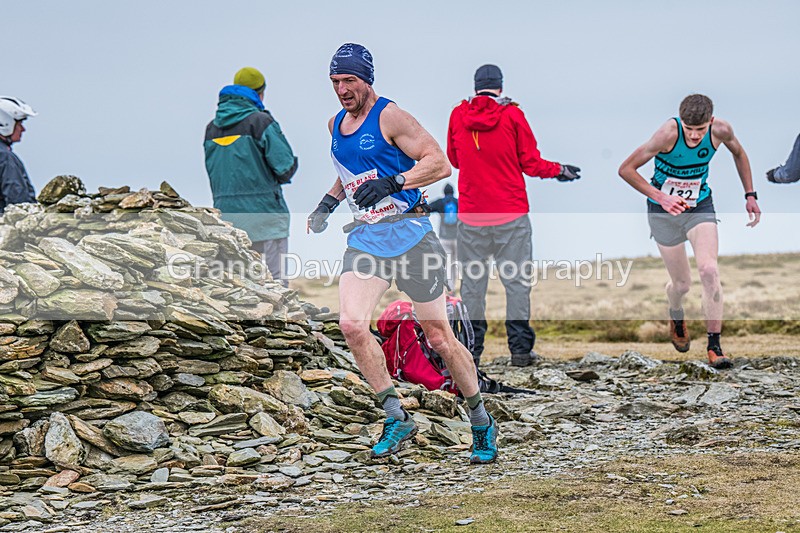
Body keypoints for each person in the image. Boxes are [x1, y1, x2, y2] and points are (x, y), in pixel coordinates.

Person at [307, 43, 498, 464]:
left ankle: (481, 421)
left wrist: (395, 183)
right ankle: (396, 417)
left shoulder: (391, 116)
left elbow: (439, 163)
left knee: (439, 339)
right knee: (352, 326)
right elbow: (350, 169)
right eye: (335, 82)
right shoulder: (336, 123)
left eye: (349, 81)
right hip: (367, 241)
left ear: (367, 80)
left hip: (412, 238)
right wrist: (327, 203)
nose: (342, 90)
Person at [446, 64, 581, 368]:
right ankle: (520, 351)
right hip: (510, 215)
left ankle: (471, 351)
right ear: (500, 86)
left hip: (472, 216)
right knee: (517, 283)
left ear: (476, 85)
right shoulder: (512, 115)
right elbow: (531, 163)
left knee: (472, 285)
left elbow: (454, 159)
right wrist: (558, 170)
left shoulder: (458, 115)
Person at [618, 94, 761, 369]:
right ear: (680, 122)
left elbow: (739, 153)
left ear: (711, 121)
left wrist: (750, 194)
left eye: (700, 130)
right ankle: (675, 312)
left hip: (699, 206)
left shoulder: (722, 130)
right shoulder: (666, 134)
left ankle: (714, 346)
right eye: (689, 130)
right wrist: (662, 197)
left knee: (709, 270)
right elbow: (626, 169)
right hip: (664, 213)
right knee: (682, 285)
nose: (695, 137)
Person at [204, 67, 298, 286]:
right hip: (265, 217)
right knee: (275, 286)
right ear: (260, 93)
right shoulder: (260, 122)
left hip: (227, 220)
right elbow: (285, 167)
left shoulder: (211, 129)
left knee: (240, 288)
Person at [0, 96, 37, 213]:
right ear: (5, 123)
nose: (23, 129)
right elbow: (18, 201)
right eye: (19, 123)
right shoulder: (5, 157)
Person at [427, 182, 458, 292]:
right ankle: (453, 287)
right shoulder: (457, 202)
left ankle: (448, 287)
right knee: (455, 263)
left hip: (444, 238)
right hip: (457, 238)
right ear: (453, 192)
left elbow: (428, 207)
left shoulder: (441, 203)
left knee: (447, 263)